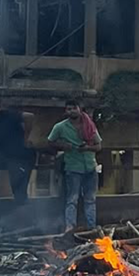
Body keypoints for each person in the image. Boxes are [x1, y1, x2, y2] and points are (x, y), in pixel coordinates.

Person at [48, 99, 101, 232]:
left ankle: (91, 227)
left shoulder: (89, 125)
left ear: (79, 109)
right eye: (69, 109)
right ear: (66, 111)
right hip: (73, 167)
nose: (71, 111)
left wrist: (87, 148)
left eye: (74, 108)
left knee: (90, 199)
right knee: (72, 199)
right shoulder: (60, 127)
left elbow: (98, 146)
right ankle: (70, 227)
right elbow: (50, 142)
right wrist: (64, 146)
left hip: (90, 166)